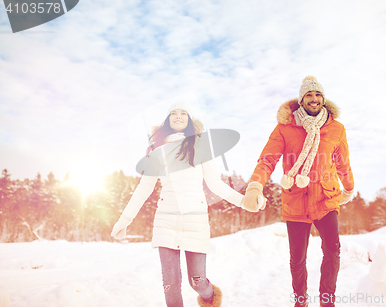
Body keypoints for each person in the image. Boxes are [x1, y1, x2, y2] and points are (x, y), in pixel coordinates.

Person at [111, 101, 261, 307]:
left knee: (197, 281)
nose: (178, 116)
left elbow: (215, 184)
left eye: (183, 113)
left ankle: (210, 298)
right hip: (166, 220)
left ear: (190, 120)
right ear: (167, 120)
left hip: (195, 220)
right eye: (173, 113)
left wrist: (244, 202)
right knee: (170, 285)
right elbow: (143, 188)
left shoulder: (200, 147)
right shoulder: (157, 150)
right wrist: (124, 220)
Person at [241, 76, 355, 307]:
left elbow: (343, 162)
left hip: (326, 198)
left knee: (332, 251)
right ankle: (300, 302)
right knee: (297, 259)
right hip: (296, 200)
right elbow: (268, 159)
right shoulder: (285, 128)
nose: (314, 99)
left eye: (318, 95)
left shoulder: (336, 128)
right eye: (309, 95)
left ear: (323, 99)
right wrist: (255, 185)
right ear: (301, 100)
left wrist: (349, 187)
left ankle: (327, 302)